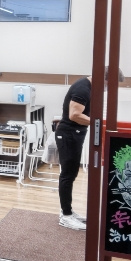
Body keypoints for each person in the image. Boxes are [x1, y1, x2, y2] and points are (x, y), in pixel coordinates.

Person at [55, 74, 94, 230]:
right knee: (67, 174)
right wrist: (99, 122)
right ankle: (66, 215)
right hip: (68, 134)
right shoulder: (83, 88)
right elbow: (74, 115)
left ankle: (68, 211)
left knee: (71, 174)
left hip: (73, 134)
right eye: (108, 84)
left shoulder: (87, 86)